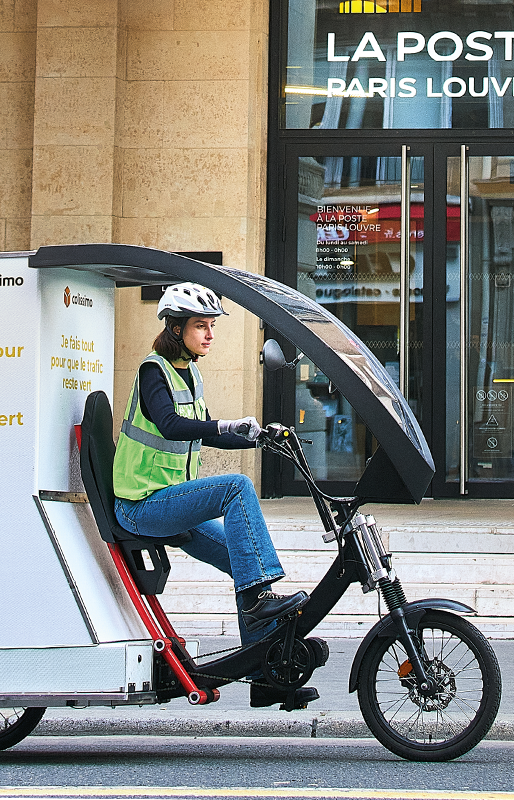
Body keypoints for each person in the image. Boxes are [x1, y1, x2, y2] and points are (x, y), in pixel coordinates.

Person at [112, 282, 317, 708]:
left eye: (211, 327)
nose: (209, 334)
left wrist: (258, 436)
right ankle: (262, 602)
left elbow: (204, 431)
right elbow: (170, 425)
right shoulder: (154, 370)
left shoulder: (191, 372)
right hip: (141, 504)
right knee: (237, 487)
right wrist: (224, 425)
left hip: (170, 502)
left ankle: (263, 677)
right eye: (200, 326)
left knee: (243, 562)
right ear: (175, 328)